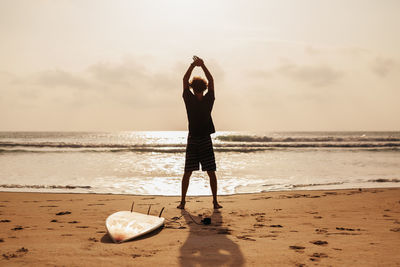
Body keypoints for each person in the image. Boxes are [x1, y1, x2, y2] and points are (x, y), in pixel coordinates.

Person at [177, 56, 222, 210]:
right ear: (203, 87)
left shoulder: (190, 98)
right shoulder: (207, 97)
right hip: (202, 139)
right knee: (207, 172)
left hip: (196, 139)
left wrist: (192, 65)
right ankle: (214, 202)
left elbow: (184, 79)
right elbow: (212, 80)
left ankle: (183, 203)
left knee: (192, 172)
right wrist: (202, 65)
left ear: (192, 87)